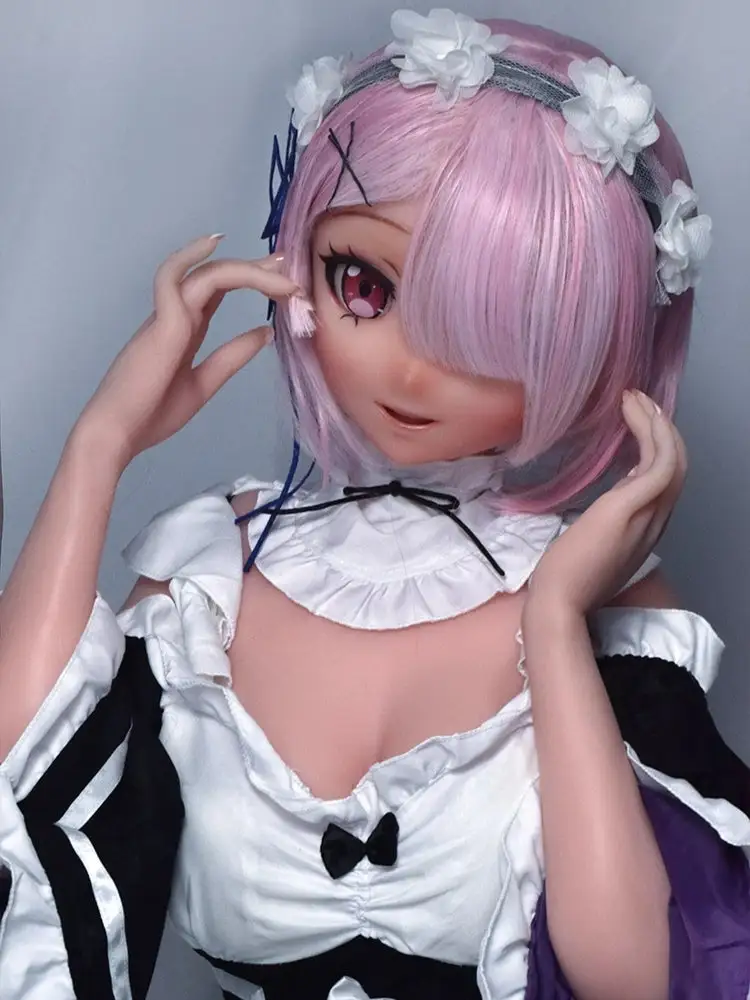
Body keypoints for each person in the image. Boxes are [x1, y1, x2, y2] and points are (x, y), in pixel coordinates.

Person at [1, 10, 748, 1000]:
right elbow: (19, 777)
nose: (412, 368)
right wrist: (99, 447)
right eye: (366, 284)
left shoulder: (603, 600)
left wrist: (557, 622)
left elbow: (634, 979)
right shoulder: (211, 576)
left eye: (492, 326)